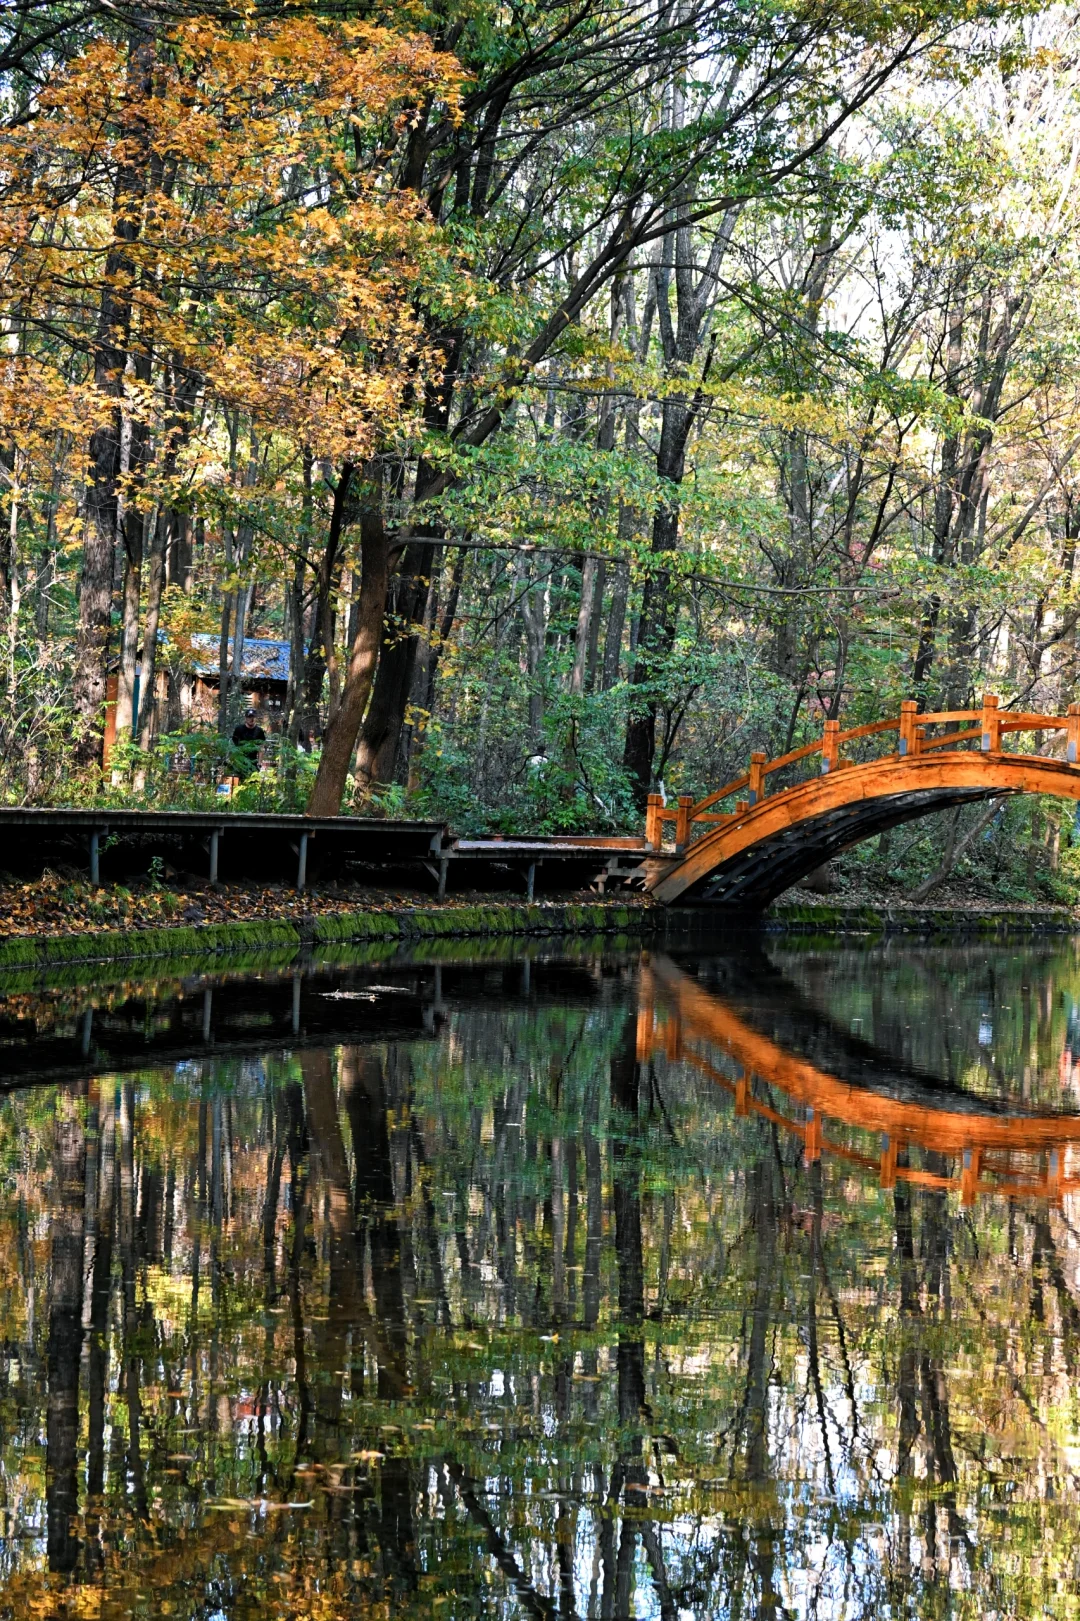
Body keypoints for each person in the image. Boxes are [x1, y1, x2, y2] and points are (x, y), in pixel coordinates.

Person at [231, 707, 266, 778]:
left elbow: (261, 748)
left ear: (255, 718)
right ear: (246, 718)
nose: (251, 719)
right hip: (240, 761)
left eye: (253, 717)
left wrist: (259, 762)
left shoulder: (259, 731)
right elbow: (234, 746)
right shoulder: (239, 729)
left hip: (253, 761)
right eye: (249, 717)